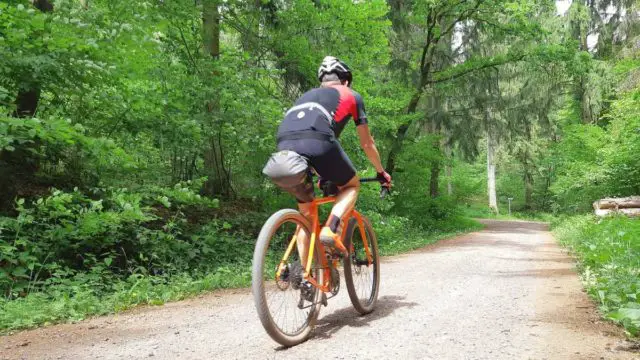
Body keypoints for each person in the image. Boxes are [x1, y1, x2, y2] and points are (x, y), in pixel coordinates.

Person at [266, 56, 391, 261]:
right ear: (346, 81)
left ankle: (305, 280)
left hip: (283, 147)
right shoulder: (351, 94)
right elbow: (367, 144)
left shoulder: (305, 97)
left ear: (322, 81)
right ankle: (331, 229)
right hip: (318, 142)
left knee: (306, 215)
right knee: (351, 186)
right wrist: (381, 172)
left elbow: (302, 137)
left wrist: (320, 171)